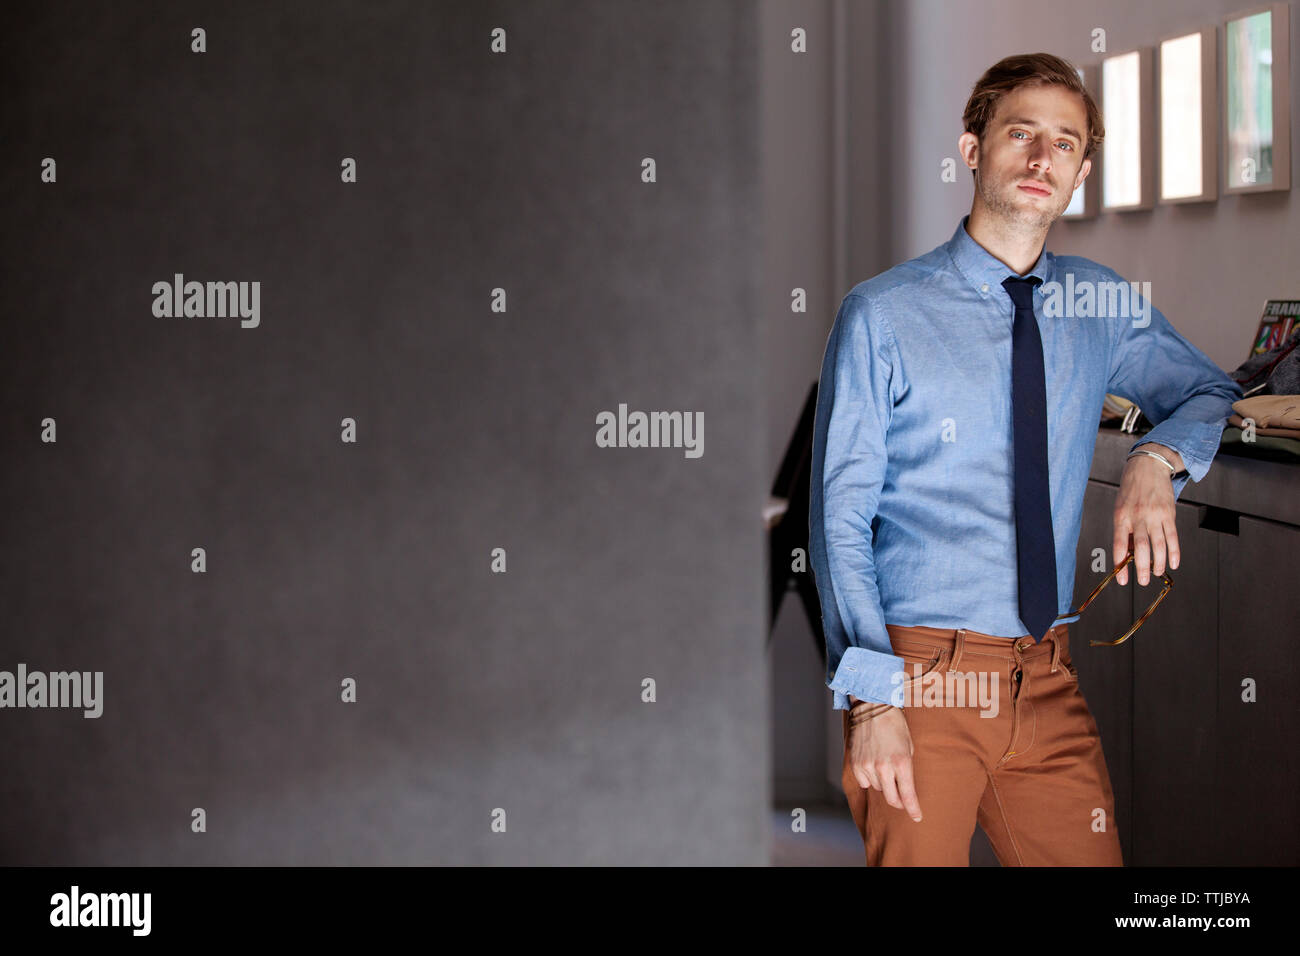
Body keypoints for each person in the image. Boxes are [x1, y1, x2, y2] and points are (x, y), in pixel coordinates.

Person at [808, 52, 1243, 866]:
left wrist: (1156, 460)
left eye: (1066, 144)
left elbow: (1208, 391)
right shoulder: (882, 314)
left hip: (1046, 677)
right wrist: (872, 702)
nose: (1044, 159)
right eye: (1022, 134)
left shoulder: (1098, 304)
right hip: (918, 675)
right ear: (973, 150)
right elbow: (838, 515)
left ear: (1081, 172)